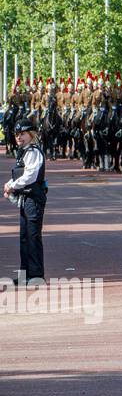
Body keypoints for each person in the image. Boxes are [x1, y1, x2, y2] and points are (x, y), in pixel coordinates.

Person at [4, 119, 47, 287]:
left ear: (31, 135)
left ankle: (36, 276)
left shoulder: (33, 152)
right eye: (16, 134)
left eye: (22, 134)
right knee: (24, 237)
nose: (19, 137)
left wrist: (12, 186)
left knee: (33, 236)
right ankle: (25, 275)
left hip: (34, 198)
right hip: (25, 198)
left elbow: (30, 176)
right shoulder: (24, 152)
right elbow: (21, 174)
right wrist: (10, 184)